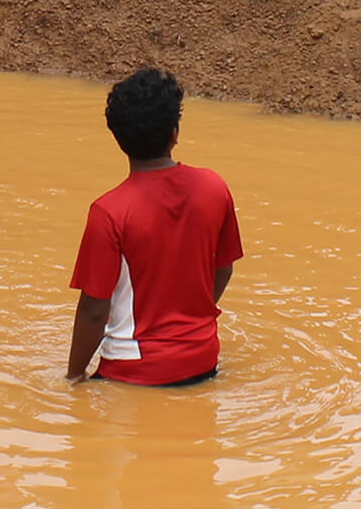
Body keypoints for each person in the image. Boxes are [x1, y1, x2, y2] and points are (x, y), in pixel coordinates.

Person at [65, 68, 242, 386]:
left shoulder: (109, 212)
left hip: (132, 373)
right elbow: (224, 270)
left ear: (117, 137)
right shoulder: (214, 188)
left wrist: (74, 375)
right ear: (175, 132)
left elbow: (94, 310)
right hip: (204, 360)